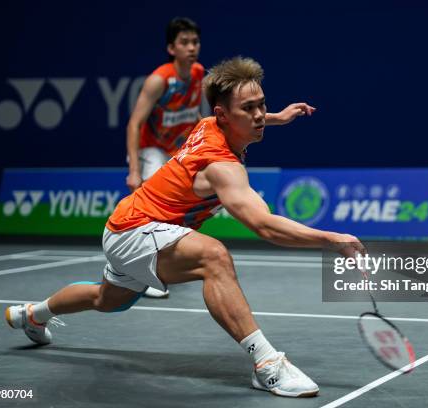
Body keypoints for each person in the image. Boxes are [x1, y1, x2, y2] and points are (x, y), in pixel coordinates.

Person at [6, 57, 365, 397]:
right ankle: (267, 363)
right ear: (223, 115)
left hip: (124, 225)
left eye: (261, 105)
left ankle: (32, 315)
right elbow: (264, 227)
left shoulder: (209, 124)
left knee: (107, 299)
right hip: (139, 228)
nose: (258, 116)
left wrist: (279, 117)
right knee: (214, 257)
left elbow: (243, 119)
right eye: (249, 109)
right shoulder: (221, 166)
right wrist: (331, 239)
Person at [128, 17, 317, 298]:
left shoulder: (196, 74)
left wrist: (278, 117)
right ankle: (138, 265)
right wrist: (134, 168)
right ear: (171, 48)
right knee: (156, 205)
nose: (192, 48)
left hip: (181, 146)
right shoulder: (160, 80)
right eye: (184, 42)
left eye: (195, 42)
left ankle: (145, 267)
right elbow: (135, 123)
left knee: (175, 212)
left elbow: (219, 118)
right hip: (153, 147)